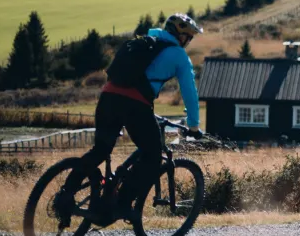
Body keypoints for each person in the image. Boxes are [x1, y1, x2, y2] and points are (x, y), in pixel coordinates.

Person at [72, 13, 203, 223]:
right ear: (181, 36)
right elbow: (189, 91)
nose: (189, 41)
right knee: (152, 156)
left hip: (108, 97)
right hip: (135, 105)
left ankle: (66, 194)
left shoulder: (144, 42)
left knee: (100, 151)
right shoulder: (179, 55)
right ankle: (123, 205)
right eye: (189, 37)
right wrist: (194, 125)